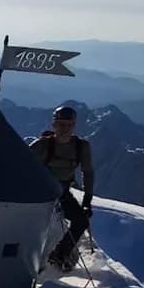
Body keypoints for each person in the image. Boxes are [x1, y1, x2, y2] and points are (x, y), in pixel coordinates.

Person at [29, 105, 94, 270]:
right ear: (54, 125)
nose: (65, 128)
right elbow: (22, 165)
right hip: (40, 194)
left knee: (81, 220)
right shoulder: (41, 145)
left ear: (74, 125)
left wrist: (87, 201)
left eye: (69, 124)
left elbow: (88, 173)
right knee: (37, 228)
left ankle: (58, 255)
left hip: (62, 192)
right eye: (61, 124)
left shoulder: (81, 147)